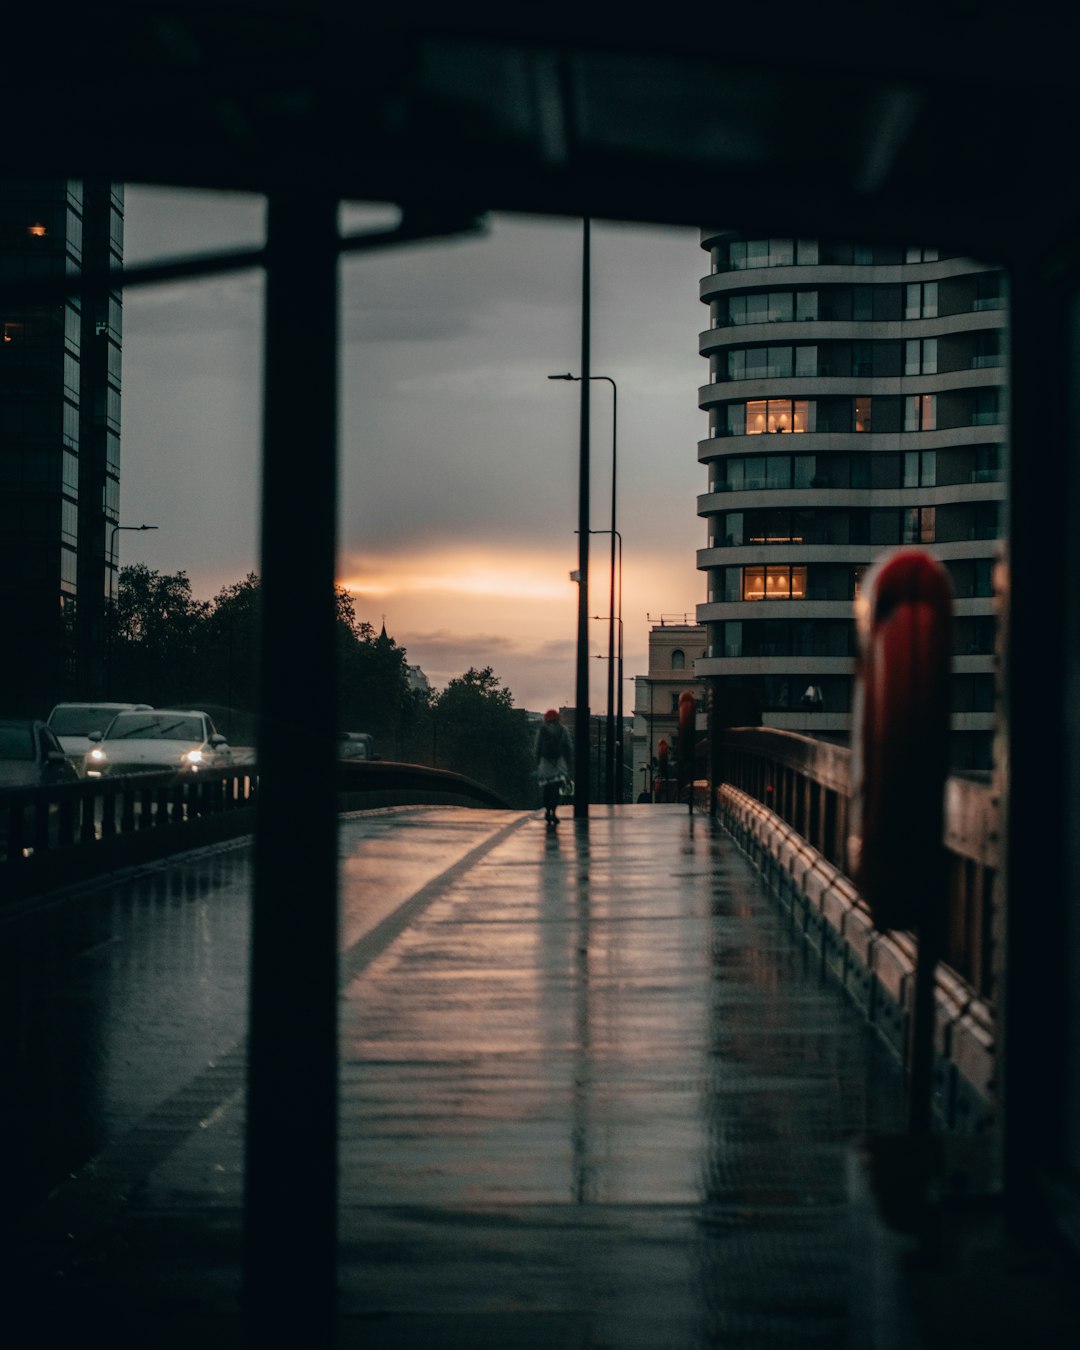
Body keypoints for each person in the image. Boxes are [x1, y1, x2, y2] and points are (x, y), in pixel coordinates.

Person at [535, 708, 573, 826]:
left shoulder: (542, 730)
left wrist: (537, 762)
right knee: (556, 790)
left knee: (546, 789)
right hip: (558, 764)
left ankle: (547, 811)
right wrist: (568, 763)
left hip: (545, 764)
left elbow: (537, 747)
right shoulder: (563, 729)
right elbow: (568, 747)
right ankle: (554, 812)